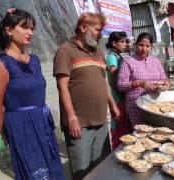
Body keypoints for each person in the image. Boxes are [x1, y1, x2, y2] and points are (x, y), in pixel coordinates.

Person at [0, 8, 64, 180]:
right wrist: (9, 135)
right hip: (21, 128)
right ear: (9, 30)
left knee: (53, 170)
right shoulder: (2, 64)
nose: (30, 32)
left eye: (32, 28)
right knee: (36, 174)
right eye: (24, 27)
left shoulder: (35, 61)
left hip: (43, 124)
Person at [53, 12, 119, 180]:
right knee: (82, 171)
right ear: (83, 27)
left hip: (101, 121)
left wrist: (112, 105)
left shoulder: (97, 52)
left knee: (102, 167)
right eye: (98, 29)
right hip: (79, 125)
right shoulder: (65, 51)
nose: (101, 34)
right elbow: (62, 88)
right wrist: (72, 118)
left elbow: (103, 81)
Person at [117, 32, 169, 128]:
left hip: (155, 105)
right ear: (136, 45)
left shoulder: (155, 61)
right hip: (136, 107)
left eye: (147, 46)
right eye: (141, 45)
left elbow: (163, 78)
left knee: (157, 134)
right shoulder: (128, 61)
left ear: (151, 47)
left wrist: (165, 84)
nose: (144, 49)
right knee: (141, 136)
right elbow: (120, 85)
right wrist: (138, 83)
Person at [105, 31, 129, 149]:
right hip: (116, 95)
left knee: (122, 122)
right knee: (118, 122)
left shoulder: (117, 55)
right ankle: (116, 147)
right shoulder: (112, 57)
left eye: (125, 42)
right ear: (114, 43)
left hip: (120, 94)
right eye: (122, 42)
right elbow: (114, 76)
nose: (125, 44)